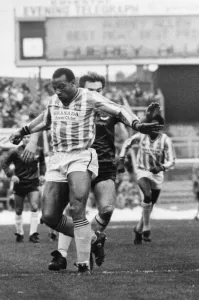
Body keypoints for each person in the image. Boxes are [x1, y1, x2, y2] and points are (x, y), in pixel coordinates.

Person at [9, 68, 163, 275]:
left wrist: (137, 124)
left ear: (73, 84)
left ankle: (81, 263)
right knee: (49, 216)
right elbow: (46, 119)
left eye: (61, 86)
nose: (58, 91)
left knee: (79, 206)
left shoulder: (94, 101)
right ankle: (90, 239)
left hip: (85, 157)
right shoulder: (54, 101)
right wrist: (24, 131)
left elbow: (119, 111)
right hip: (59, 158)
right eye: (55, 87)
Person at [48, 72, 130, 271]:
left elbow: (124, 136)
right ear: (82, 90)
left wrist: (121, 156)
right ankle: (62, 254)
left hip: (104, 165)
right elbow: (50, 121)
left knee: (107, 209)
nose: (96, 93)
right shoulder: (72, 105)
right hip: (77, 162)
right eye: (91, 90)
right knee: (74, 209)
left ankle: (91, 240)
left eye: (99, 90)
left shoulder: (108, 110)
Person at [118, 114, 176, 244]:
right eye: (152, 125)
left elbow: (172, 161)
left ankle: (137, 229)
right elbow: (127, 142)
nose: (154, 128)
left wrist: (161, 167)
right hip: (142, 170)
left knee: (150, 205)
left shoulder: (166, 140)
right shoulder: (142, 135)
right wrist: (121, 159)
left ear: (161, 127)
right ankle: (146, 229)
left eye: (157, 125)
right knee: (147, 196)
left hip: (157, 174)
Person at [2, 135, 46, 243]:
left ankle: (33, 234)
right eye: (25, 137)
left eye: (29, 137)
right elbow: (4, 163)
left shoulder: (39, 150)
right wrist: (11, 175)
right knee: (18, 210)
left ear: (33, 139)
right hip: (19, 184)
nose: (27, 139)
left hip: (33, 183)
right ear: (22, 139)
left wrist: (42, 174)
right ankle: (19, 233)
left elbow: (43, 163)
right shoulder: (15, 151)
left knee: (35, 207)